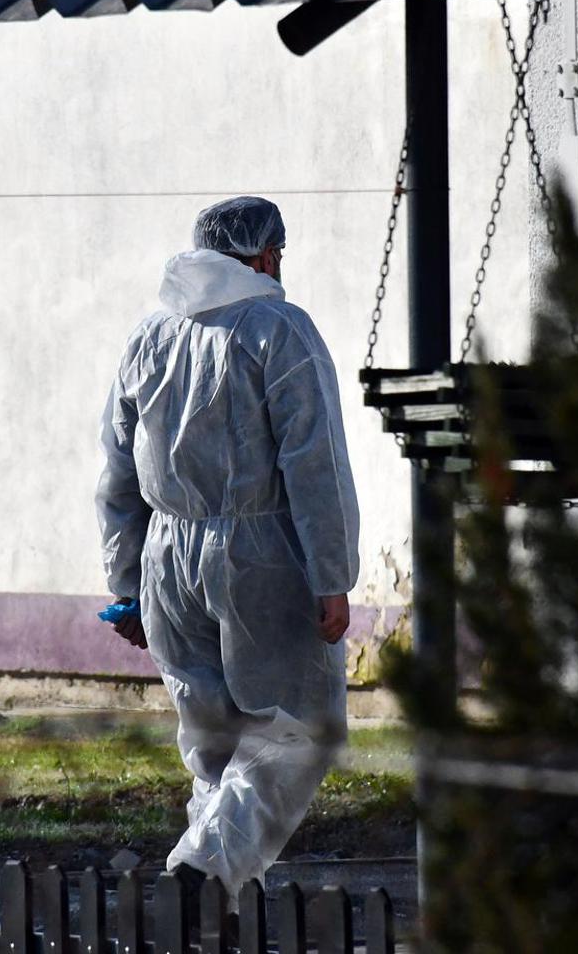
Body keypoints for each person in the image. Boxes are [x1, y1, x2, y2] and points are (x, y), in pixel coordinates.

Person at [96, 195, 360, 900]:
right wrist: (331, 574)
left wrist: (126, 585)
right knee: (295, 730)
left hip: (166, 557)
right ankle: (208, 872)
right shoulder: (277, 328)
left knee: (212, 744)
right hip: (261, 554)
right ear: (268, 255)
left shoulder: (149, 333)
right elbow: (315, 463)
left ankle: (208, 903)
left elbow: (117, 470)